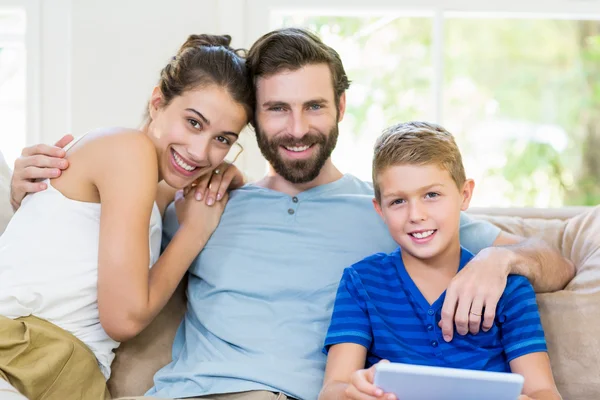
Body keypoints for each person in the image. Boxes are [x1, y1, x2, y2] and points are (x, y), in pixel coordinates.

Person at [9, 28, 574, 400]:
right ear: (253, 120)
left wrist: (501, 260)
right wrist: (28, 188)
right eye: (277, 109)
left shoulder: (393, 210)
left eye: (313, 107)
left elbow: (561, 260)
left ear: (341, 109)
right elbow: (92, 241)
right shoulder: (206, 201)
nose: (297, 128)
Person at [0, 34, 253, 400]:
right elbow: (123, 318)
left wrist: (228, 176)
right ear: (157, 103)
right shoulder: (128, 151)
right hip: (18, 357)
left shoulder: (152, 184)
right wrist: (193, 234)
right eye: (194, 122)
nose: (201, 151)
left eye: (224, 139)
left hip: (60, 375)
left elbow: (195, 187)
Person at [319, 121, 561, 400]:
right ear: (380, 209)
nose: (416, 215)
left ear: (464, 194)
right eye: (398, 201)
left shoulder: (509, 288)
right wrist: (353, 391)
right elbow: (331, 389)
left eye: (431, 195)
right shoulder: (361, 282)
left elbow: (544, 391)